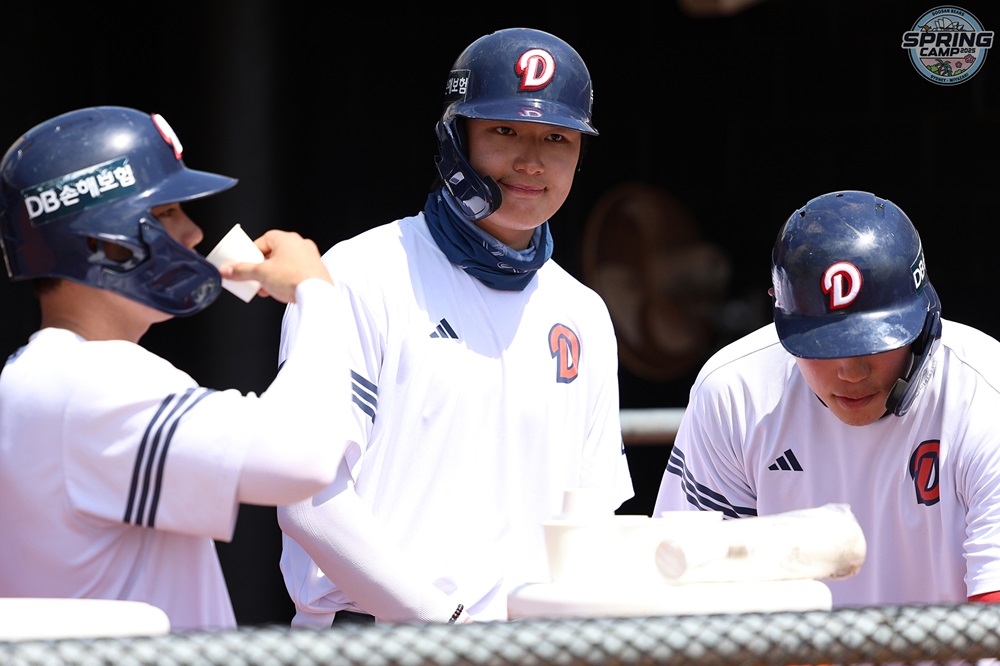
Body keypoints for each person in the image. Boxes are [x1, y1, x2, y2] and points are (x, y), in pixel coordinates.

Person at [276, 27, 634, 625]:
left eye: (555, 137)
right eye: (503, 130)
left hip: (528, 647)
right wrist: (442, 628)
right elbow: (309, 499)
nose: (530, 160)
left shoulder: (583, 312)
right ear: (454, 139)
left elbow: (591, 514)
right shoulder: (360, 272)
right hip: (373, 637)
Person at [0, 106, 354, 631]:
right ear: (100, 240)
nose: (191, 233)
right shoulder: (90, 378)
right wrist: (315, 293)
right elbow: (304, 458)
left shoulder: (35, 374)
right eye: (165, 213)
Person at [654, 189, 1000, 607]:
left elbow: (992, 616)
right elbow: (684, 598)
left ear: (922, 320)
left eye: (875, 342)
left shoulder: (985, 395)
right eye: (824, 345)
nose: (851, 372)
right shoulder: (736, 391)